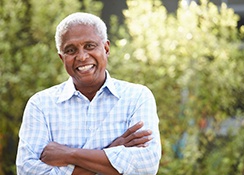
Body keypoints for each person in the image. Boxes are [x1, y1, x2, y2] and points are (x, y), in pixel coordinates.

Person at [16, 12, 161, 175]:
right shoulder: (40, 105)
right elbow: (27, 171)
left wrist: (68, 154)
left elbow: (146, 166)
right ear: (61, 58)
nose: (82, 57)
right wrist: (112, 152)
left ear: (106, 49)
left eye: (89, 46)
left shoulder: (137, 97)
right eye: (71, 50)